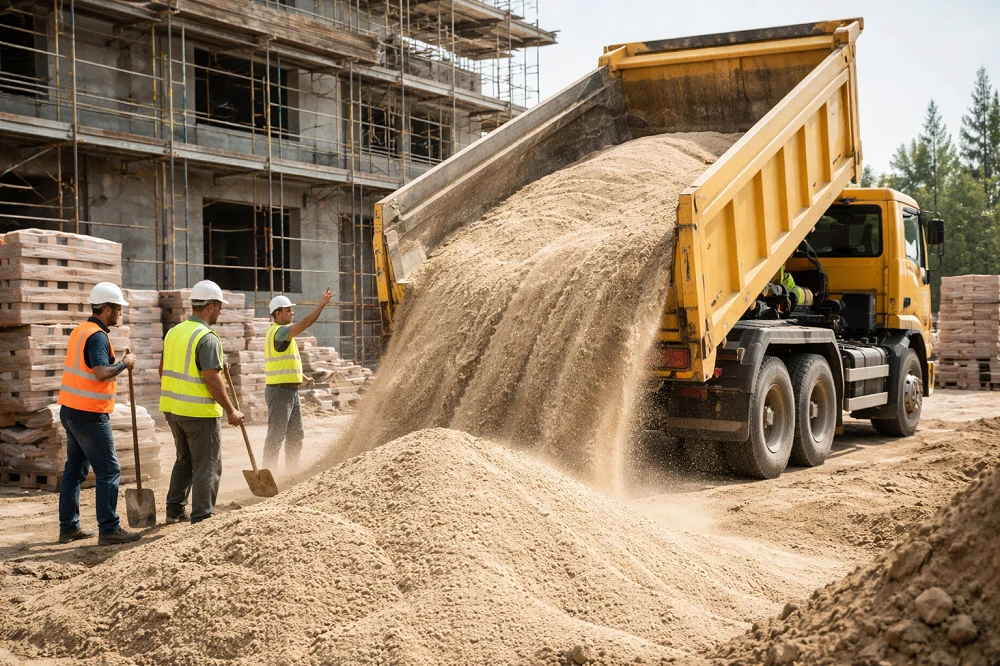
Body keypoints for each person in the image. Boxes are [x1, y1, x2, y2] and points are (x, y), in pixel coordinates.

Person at [57, 282, 140, 546]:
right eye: (118, 309)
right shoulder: (97, 336)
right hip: (89, 415)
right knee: (109, 471)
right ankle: (109, 529)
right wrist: (124, 364)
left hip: (70, 410)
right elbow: (101, 371)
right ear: (106, 308)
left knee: (74, 472)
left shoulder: (80, 330)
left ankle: (68, 528)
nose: (120, 314)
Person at [159, 280, 244, 525]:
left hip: (173, 410)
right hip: (199, 413)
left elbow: (163, 370)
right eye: (219, 306)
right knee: (208, 465)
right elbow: (212, 380)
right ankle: (202, 518)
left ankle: (174, 511)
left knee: (184, 461)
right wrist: (231, 410)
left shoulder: (175, 332)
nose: (220, 311)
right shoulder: (207, 337)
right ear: (211, 306)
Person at [263, 288, 333, 472]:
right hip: (279, 391)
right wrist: (321, 305)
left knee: (296, 434)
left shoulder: (284, 335)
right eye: (288, 310)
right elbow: (306, 323)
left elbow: (285, 362)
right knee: (276, 435)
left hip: (290, 391)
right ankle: (268, 473)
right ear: (277, 313)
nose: (292, 312)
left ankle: (291, 472)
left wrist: (302, 377)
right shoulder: (278, 332)